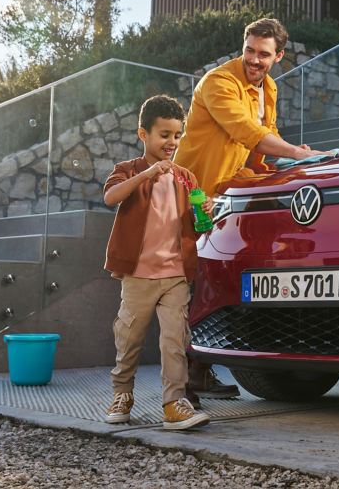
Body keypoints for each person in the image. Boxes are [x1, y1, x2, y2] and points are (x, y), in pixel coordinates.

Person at [174, 18, 325, 400]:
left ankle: (198, 371)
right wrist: (292, 151)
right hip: (191, 195)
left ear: (278, 56)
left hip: (229, 194)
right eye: (249, 51)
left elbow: (260, 145)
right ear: (243, 46)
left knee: (209, 280)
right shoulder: (218, 83)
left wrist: (292, 162)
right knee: (185, 283)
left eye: (263, 54)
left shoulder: (268, 87)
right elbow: (245, 130)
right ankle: (178, 381)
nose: (254, 61)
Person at [102, 95, 210, 430]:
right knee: (129, 338)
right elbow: (111, 197)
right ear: (143, 134)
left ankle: (174, 403)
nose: (171, 143)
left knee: (175, 339)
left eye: (177, 136)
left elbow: (192, 225)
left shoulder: (185, 178)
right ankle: (122, 394)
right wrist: (147, 173)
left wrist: (205, 213)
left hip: (176, 273)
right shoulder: (129, 170)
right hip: (138, 275)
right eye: (164, 135)